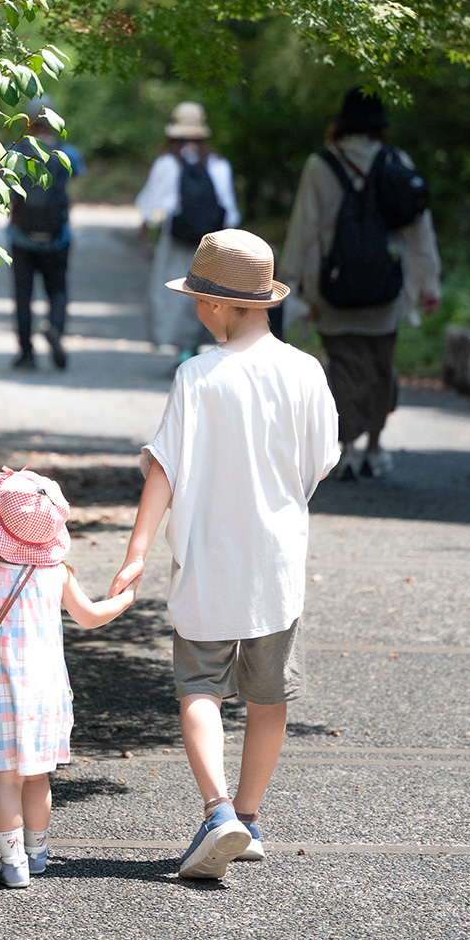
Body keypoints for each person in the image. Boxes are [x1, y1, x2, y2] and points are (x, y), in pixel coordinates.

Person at [108, 229, 339, 880]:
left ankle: (217, 813)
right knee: (268, 698)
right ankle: (250, 815)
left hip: (209, 561)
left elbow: (164, 471)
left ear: (214, 306)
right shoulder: (304, 371)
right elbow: (321, 459)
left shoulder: (196, 377)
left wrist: (135, 554)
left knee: (198, 689)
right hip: (277, 564)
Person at [0, 466, 134, 887]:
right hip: (46, 692)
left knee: (3, 780)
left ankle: (12, 864)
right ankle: (38, 853)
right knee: (36, 777)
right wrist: (124, 600)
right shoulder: (57, 573)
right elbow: (89, 616)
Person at [280, 88, 441, 479]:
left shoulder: (321, 165)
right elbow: (418, 228)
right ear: (381, 126)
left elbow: (304, 227)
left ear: (342, 122)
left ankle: (347, 447)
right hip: (386, 286)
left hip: (332, 286)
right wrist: (428, 282)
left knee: (343, 369)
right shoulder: (396, 161)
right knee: (380, 366)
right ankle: (374, 445)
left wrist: (287, 282)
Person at [135, 101, 240, 363]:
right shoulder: (218, 164)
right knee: (208, 293)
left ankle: (182, 349)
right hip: (213, 242)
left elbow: (151, 207)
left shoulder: (168, 162)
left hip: (178, 239)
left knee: (176, 292)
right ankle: (196, 346)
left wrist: (147, 226)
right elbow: (231, 210)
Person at [7, 102, 85, 371]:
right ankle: (55, 328)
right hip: (57, 235)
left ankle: (26, 354)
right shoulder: (68, 152)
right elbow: (73, 181)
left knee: (23, 296)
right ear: (53, 123)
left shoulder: (15, 151)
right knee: (58, 289)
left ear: (27, 123)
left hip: (21, 235)